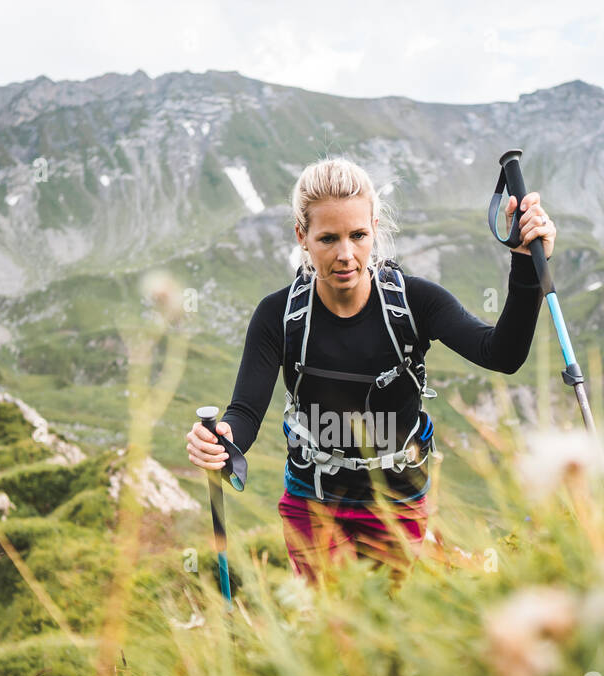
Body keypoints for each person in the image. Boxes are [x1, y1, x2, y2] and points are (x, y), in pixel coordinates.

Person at [185, 156, 554, 585]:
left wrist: (526, 262)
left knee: (388, 631)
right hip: (313, 504)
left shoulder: (415, 303)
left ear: (375, 227)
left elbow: (502, 354)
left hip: (399, 504)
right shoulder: (279, 316)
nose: (346, 255)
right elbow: (245, 415)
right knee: (334, 633)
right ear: (302, 237)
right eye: (328, 239)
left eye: (358, 235)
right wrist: (223, 440)